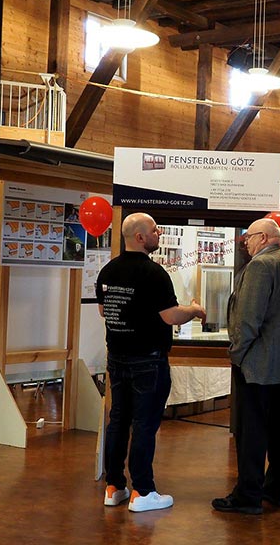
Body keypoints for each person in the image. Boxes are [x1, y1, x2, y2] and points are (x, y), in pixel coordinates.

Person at [96, 213, 206, 512]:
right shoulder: (154, 274)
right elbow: (171, 316)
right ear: (140, 237)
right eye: (155, 230)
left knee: (118, 422)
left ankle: (114, 486)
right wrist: (194, 310)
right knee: (144, 425)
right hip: (148, 361)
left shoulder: (107, 271)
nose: (159, 233)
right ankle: (143, 492)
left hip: (117, 358)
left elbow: (105, 312)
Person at [212, 218, 280, 515]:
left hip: (257, 364)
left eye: (249, 237)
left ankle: (247, 495)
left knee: (250, 431)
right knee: (279, 429)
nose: (246, 242)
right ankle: (276, 490)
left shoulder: (260, 266)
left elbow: (248, 318)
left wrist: (237, 353)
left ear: (264, 237)